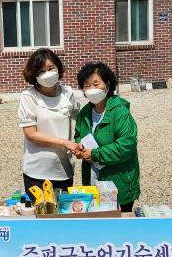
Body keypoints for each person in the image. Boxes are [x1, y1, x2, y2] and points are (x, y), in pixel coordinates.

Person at [73, 62, 140, 212]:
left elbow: (127, 144)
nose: (91, 89)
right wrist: (79, 147)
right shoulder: (84, 113)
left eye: (96, 84)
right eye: (87, 85)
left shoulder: (120, 112)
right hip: (92, 180)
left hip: (119, 183)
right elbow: (78, 135)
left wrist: (95, 154)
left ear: (108, 85)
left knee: (119, 229)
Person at [18, 48, 81, 194]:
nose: (47, 74)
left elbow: (81, 119)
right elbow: (31, 134)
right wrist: (65, 142)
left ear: (58, 68)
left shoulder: (68, 93)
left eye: (51, 68)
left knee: (63, 213)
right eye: (41, 71)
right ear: (34, 75)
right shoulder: (29, 97)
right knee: (42, 214)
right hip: (37, 171)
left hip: (64, 168)